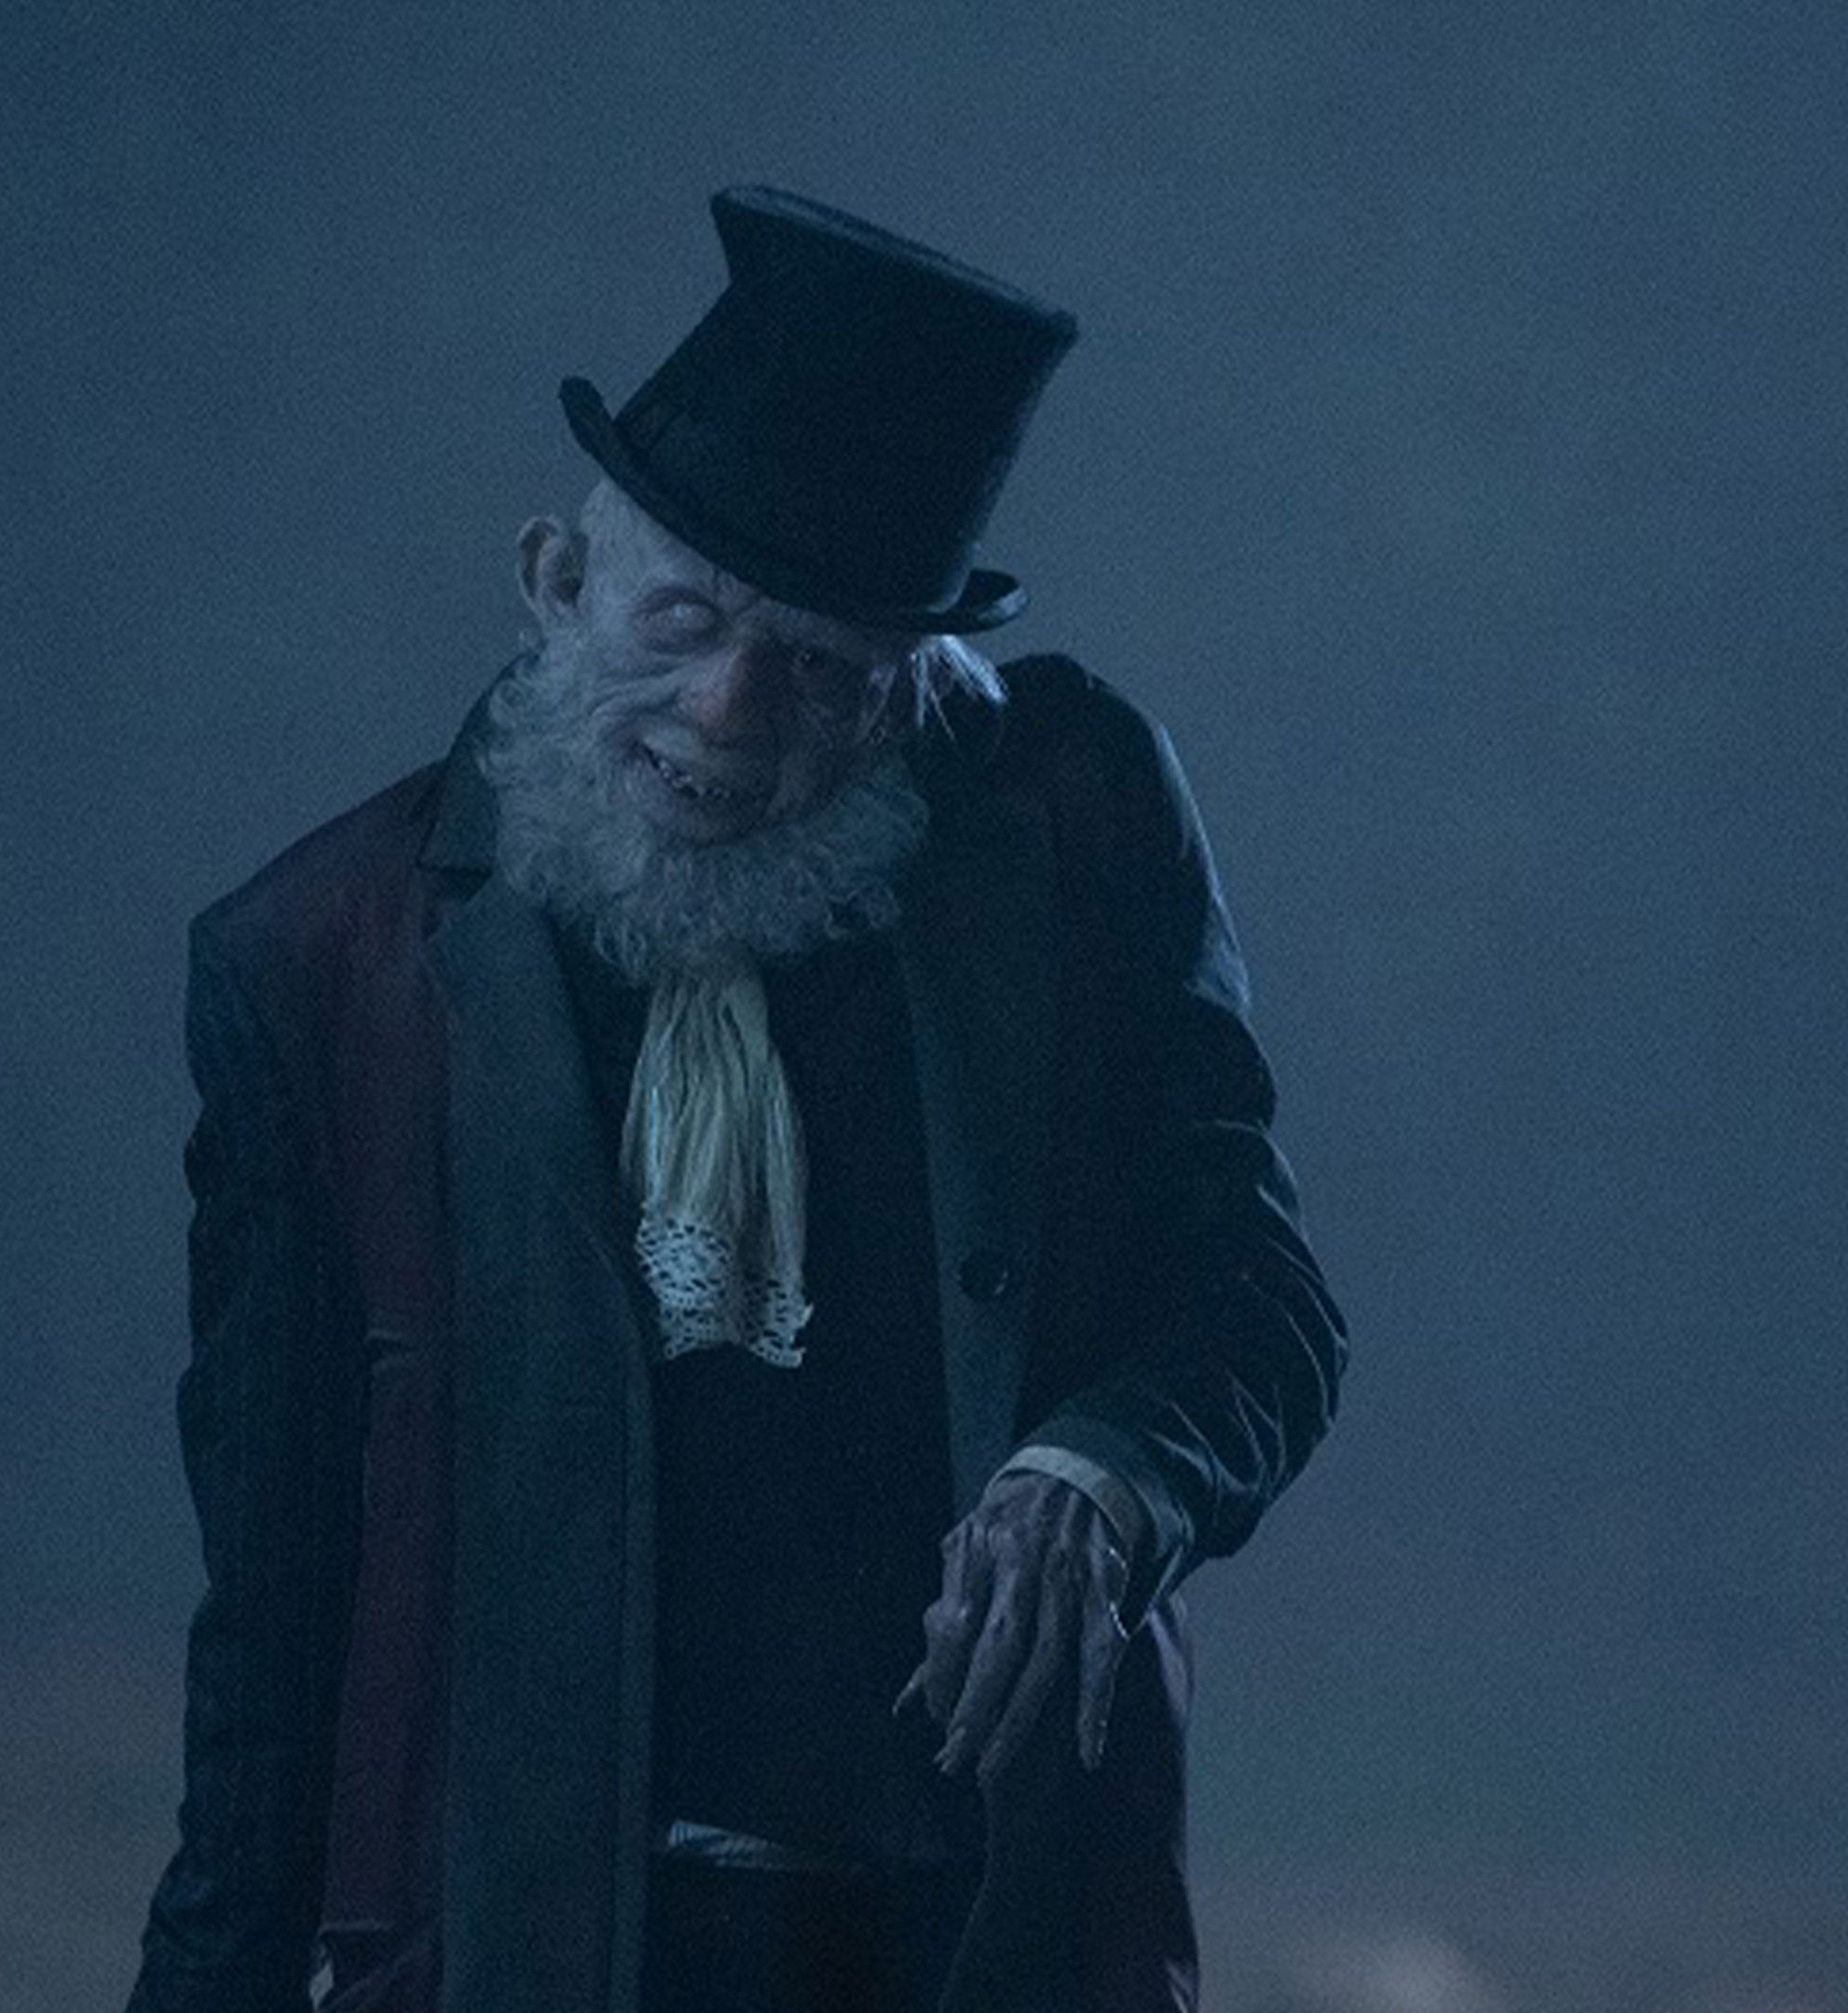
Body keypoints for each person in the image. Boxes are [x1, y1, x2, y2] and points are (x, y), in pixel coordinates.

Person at [126, 185, 1346, 2013]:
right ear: (557, 582)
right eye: (682, 619)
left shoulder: (1073, 825)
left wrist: (1107, 1475)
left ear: (920, 688)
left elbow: (1261, 1307)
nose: (724, 714)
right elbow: (276, 1611)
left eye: (819, 670)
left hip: (980, 1941)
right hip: (535, 1954)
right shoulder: (323, 961)